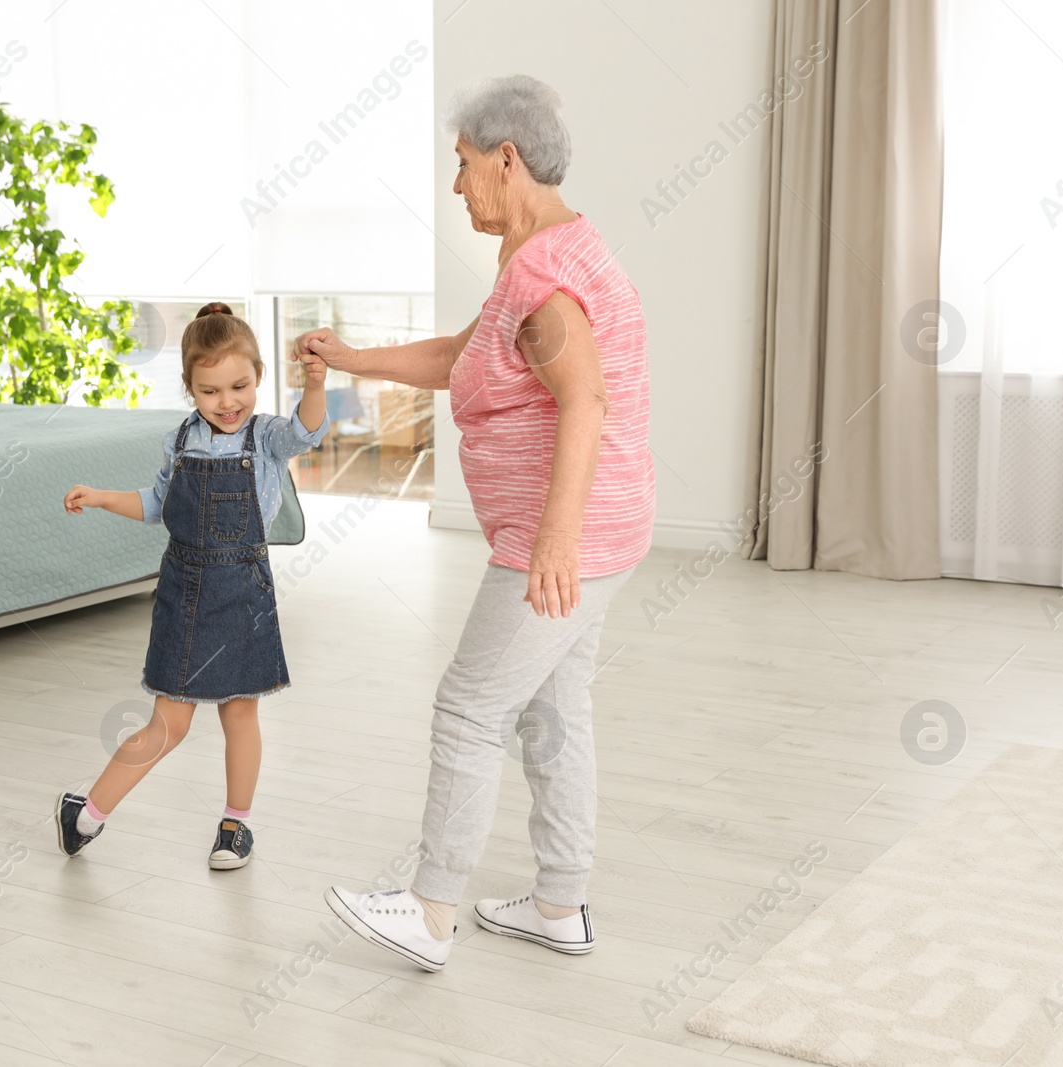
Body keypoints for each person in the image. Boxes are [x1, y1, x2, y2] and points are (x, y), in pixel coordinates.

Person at [308, 75, 653, 970]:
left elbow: (584, 402)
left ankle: (429, 911)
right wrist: (350, 357)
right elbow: (460, 356)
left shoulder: (542, 275)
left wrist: (553, 541)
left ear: (508, 159)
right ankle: (559, 900)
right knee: (552, 710)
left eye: (463, 164)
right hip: (605, 526)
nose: (456, 184)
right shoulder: (544, 252)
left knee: (468, 707)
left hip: (567, 533)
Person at [54, 302, 329, 869]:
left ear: (258, 379)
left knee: (239, 715)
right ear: (189, 389)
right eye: (210, 392)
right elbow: (157, 503)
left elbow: (309, 428)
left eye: (240, 386)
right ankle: (85, 817)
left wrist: (316, 379)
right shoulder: (178, 441)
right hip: (184, 590)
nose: (227, 403)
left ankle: (236, 825)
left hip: (244, 590)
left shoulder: (269, 437)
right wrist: (104, 497)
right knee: (168, 723)